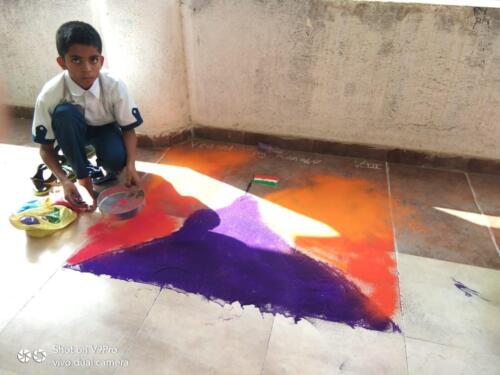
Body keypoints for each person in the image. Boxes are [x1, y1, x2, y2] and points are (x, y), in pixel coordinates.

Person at [32, 21, 143, 211]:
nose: (87, 68)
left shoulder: (114, 85)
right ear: (62, 62)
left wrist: (131, 165)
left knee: (117, 160)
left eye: (93, 59)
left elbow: (129, 130)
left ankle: (95, 156)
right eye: (76, 60)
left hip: (104, 129)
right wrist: (65, 180)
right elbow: (45, 149)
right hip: (69, 132)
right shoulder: (50, 95)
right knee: (64, 114)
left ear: (101, 60)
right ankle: (82, 175)